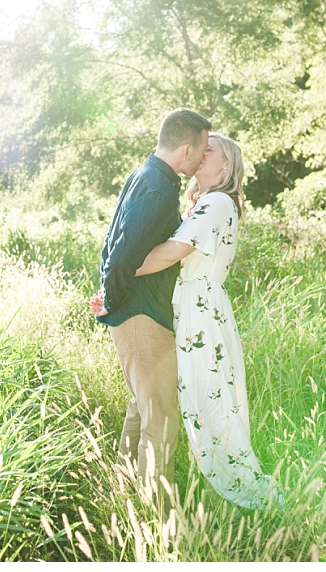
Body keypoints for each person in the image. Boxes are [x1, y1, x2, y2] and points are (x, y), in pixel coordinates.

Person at [134, 133, 284, 508]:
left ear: (227, 165)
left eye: (210, 150)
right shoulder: (207, 205)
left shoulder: (217, 203)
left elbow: (171, 253)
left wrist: (119, 272)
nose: (200, 155)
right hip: (190, 305)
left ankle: (247, 492)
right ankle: (145, 485)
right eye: (199, 149)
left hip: (199, 312)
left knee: (208, 402)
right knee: (185, 397)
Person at [91, 108, 212, 505]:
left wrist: (111, 300)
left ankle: (121, 498)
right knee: (160, 420)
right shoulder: (159, 187)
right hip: (141, 315)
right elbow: (123, 253)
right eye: (203, 151)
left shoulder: (146, 177)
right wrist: (112, 299)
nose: (202, 160)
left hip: (135, 313)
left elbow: (115, 245)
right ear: (186, 149)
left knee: (142, 410)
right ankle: (158, 518)